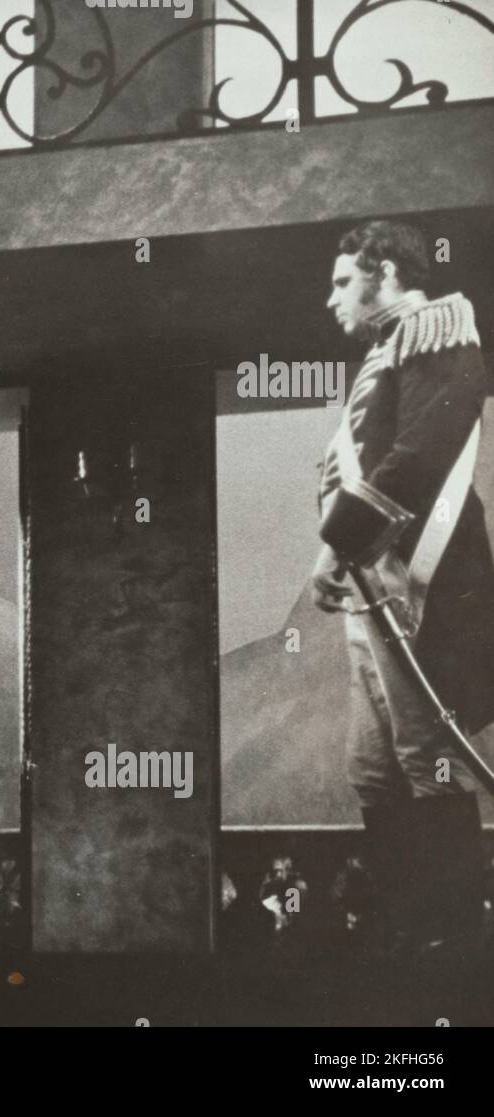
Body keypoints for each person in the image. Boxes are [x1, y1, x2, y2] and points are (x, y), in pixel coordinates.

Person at [313, 219, 494, 952]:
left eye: (342, 281)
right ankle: (402, 932)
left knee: (431, 760)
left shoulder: (437, 328)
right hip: (373, 580)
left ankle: (449, 944)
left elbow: (423, 452)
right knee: (372, 769)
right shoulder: (388, 351)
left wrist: (336, 544)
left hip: (420, 579)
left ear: (385, 271)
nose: (331, 301)